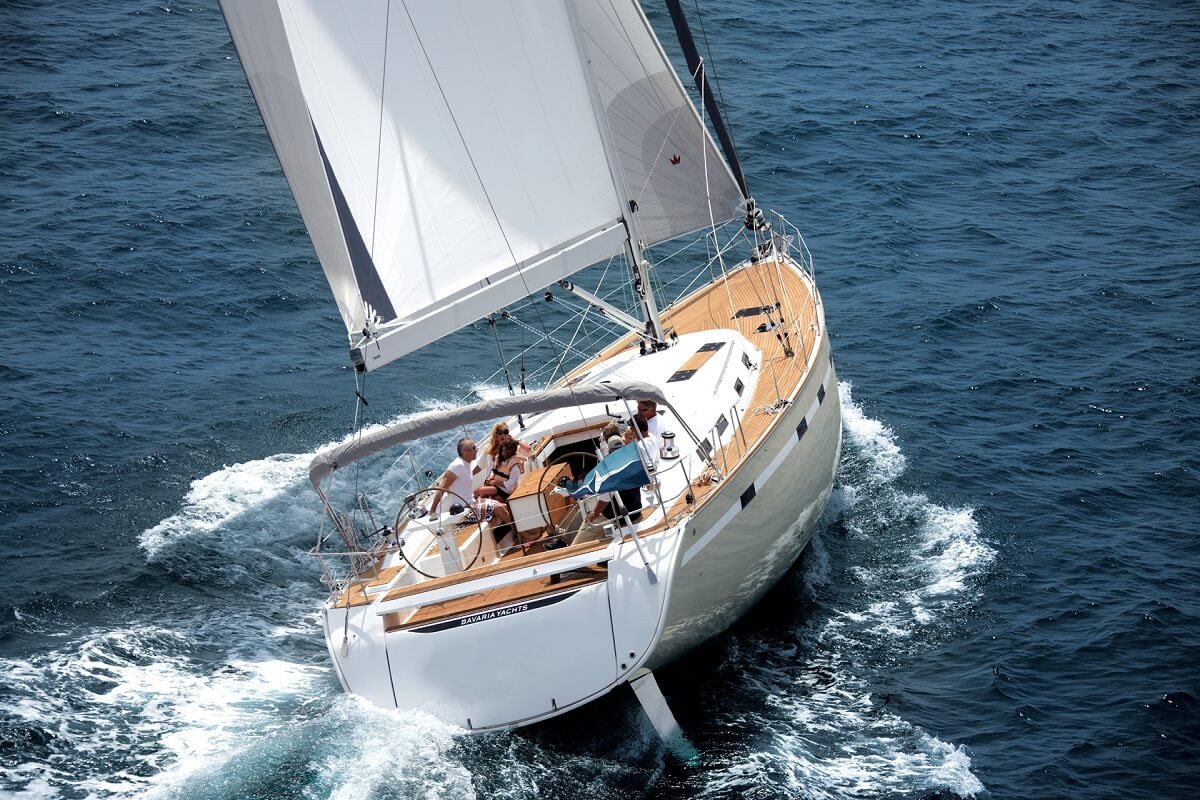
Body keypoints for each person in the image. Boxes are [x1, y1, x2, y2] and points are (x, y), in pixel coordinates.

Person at [427, 437, 511, 528]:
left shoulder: (466, 464)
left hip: (472, 503)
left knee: (503, 506)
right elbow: (441, 488)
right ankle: (525, 536)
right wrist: (432, 511)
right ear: (465, 451)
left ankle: (522, 533)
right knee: (498, 508)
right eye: (474, 447)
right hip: (465, 511)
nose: (477, 449)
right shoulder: (456, 466)